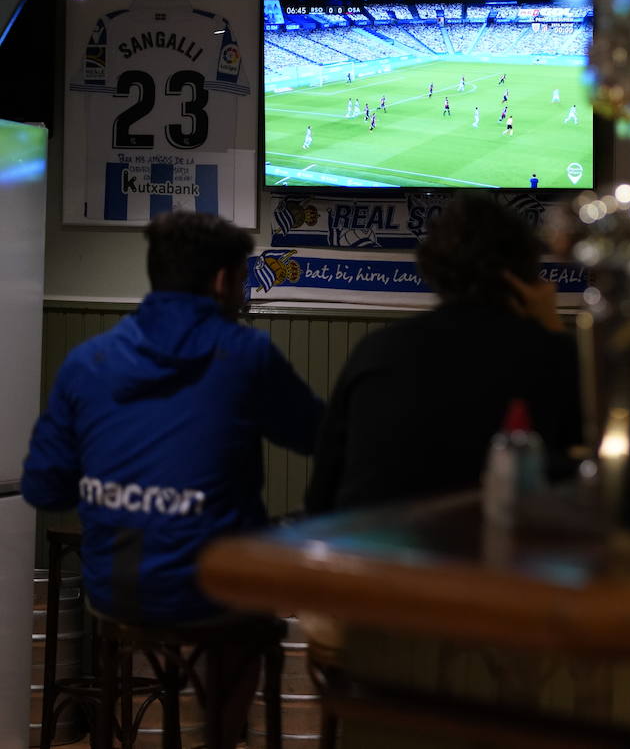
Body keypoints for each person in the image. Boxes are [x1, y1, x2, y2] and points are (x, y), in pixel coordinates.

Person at [22, 212, 323, 743]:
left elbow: (45, 488)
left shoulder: (86, 360)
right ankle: (222, 738)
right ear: (222, 281)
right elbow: (317, 436)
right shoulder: (245, 354)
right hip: (217, 592)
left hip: (116, 588)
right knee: (249, 605)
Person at [305, 194, 580, 512]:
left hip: (367, 554)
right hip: (491, 556)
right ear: (523, 275)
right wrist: (553, 327)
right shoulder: (553, 355)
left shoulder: (376, 349)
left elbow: (320, 498)